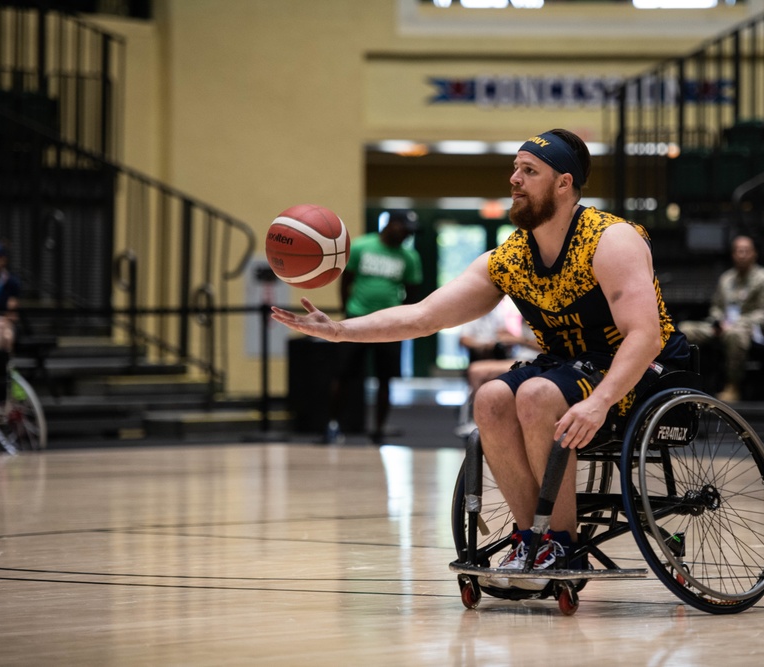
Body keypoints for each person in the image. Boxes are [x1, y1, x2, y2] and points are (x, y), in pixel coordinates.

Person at [272, 128, 690, 590]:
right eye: (514, 168)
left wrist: (600, 401)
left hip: (642, 371)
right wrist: (340, 331)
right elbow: (424, 315)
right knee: (490, 399)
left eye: (529, 171)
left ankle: (564, 543)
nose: (514, 179)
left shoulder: (611, 240)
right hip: (568, 368)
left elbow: (645, 336)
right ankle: (532, 538)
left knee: (534, 394)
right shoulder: (510, 258)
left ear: (564, 184)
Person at [324, 209, 423, 444]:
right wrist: (346, 312)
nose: (407, 236)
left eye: (411, 233)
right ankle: (333, 425)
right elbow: (346, 280)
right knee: (343, 375)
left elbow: (412, 292)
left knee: (385, 379)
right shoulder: (361, 246)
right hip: (356, 319)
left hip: (389, 326)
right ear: (390, 225)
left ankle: (379, 430)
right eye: (404, 229)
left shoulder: (409, 258)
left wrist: (400, 319)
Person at [676, 235, 764, 403]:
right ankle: (686, 380)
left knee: (734, 334)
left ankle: (733, 386)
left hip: (749, 328)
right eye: (738, 251)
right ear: (733, 254)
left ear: (754, 254)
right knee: (684, 329)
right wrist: (718, 321)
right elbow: (716, 306)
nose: (742, 254)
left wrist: (735, 324)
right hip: (722, 325)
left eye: (746, 251)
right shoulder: (726, 278)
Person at [455, 298, 540, 437]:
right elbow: (464, 339)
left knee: (477, 371)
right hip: (515, 356)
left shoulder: (542, 317)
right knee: (476, 370)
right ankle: (480, 418)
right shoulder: (524, 314)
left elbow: (543, 346)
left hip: (533, 359)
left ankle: (481, 420)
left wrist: (517, 340)